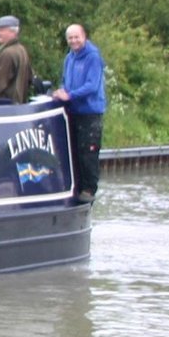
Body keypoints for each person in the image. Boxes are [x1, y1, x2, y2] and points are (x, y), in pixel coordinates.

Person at [53, 22, 106, 203]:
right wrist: (61, 92)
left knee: (87, 153)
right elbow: (65, 82)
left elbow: (92, 85)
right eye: (70, 38)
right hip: (73, 112)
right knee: (73, 151)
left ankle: (89, 190)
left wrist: (70, 95)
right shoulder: (69, 58)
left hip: (90, 113)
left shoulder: (93, 57)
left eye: (77, 37)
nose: (74, 41)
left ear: (84, 37)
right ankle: (75, 187)